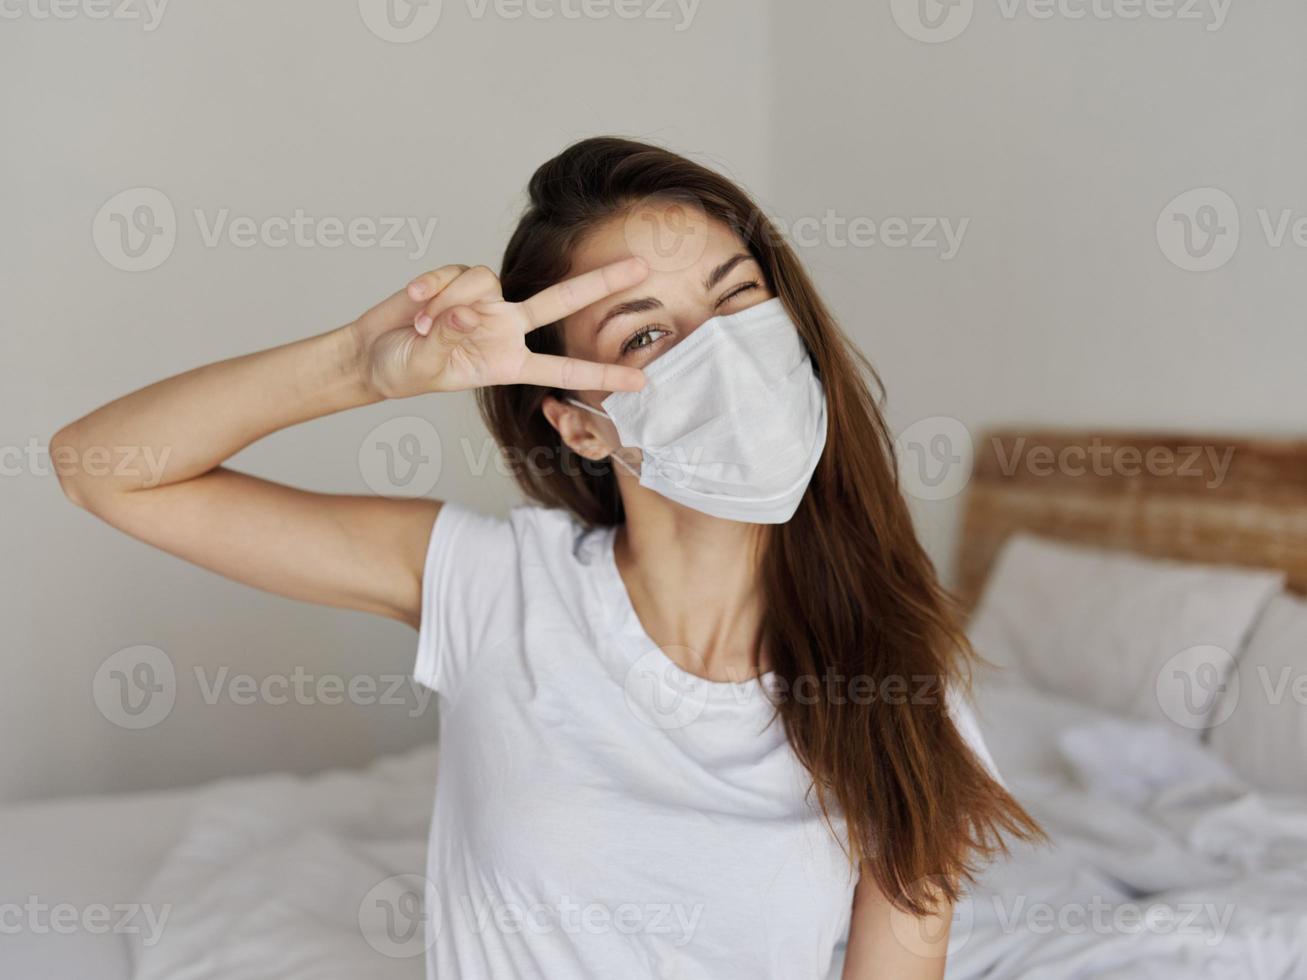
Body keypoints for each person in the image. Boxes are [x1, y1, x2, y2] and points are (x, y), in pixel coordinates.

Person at [53, 136, 1042, 979]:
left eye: (736, 298)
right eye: (647, 332)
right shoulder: (493, 583)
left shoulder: (900, 667)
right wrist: (360, 365)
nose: (724, 353)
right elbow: (106, 469)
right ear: (580, 427)